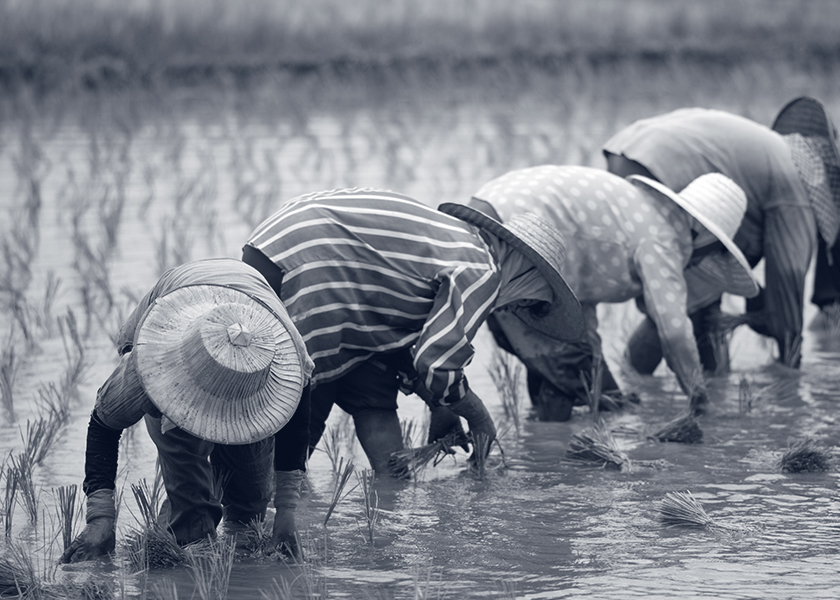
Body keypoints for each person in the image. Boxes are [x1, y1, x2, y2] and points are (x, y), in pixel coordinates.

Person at [241, 187, 584, 476]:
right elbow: (437, 363)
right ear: (527, 273)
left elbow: (410, 341)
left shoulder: (456, 241)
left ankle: (383, 496)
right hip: (309, 262)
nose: (514, 309)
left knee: (370, 384)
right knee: (297, 400)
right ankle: (262, 506)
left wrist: (442, 407)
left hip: (285, 245)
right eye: (528, 303)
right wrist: (479, 418)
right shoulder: (482, 269)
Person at [60, 258, 314, 563]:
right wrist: (100, 520)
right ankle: (182, 541)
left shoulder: (288, 362)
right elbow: (103, 424)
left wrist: (286, 513)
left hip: (251, 338)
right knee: (192, 518)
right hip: (176, 337)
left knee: (249, 513)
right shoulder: (148, 366)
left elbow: (294, 433)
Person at [470, 165, 759, 418]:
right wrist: (699, 397)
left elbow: (577, 305)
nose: (703, 261)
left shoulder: (642, 210)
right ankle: (551, 465)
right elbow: (674, 330)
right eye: (715, 251)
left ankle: (543, 446)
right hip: (516, 232)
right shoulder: (664, 239)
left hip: (487, 209)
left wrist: (601, 379)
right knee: (570, 371)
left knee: (566, 370)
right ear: (705, 235)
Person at [602, 96, 840, 371]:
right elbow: (788, 272)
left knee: (699, 302)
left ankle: (686, 389)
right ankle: (631, 384)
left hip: (629, 150)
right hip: (659, 170)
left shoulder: (776, 153)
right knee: (683, 303)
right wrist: (790, 357)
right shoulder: (796, 181)